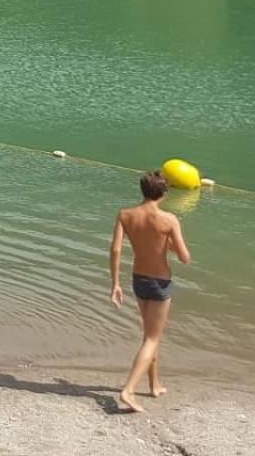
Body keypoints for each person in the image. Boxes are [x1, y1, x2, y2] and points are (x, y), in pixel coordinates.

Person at [110, 171, 192, 413]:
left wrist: (115, 283)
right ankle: (129, 390)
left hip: (138, 280)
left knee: (149, 334)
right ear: (164, 193)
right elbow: (185, 257)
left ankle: (154, 385)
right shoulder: (169, 220)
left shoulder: (125, 215)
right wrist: (170, 246)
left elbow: (115, 250)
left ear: (142, 190)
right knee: (152, 338)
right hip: (160, 282)